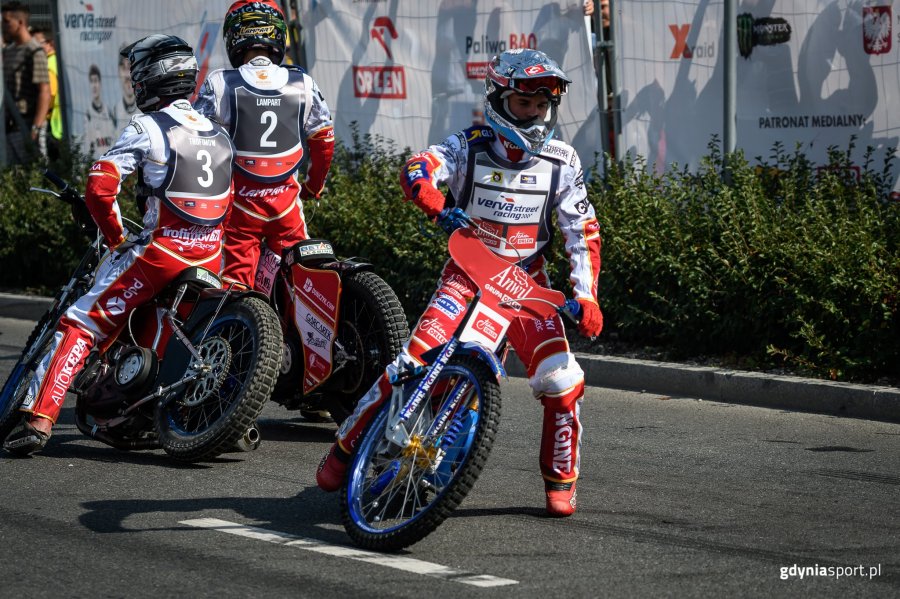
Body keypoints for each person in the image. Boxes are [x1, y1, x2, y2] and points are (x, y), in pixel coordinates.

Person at [316, 49, 603, 517]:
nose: (533, 115)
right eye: (523, 104)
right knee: (410, 363)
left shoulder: (562, 160)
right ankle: (345, 448)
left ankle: (560, 481)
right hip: (467, 275)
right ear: (498, 100)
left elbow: (582, 230)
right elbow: (418, 166)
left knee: (564, 381)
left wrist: (586, 296)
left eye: (541, 106)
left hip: (527, 286)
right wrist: (431, 198)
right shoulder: (469, 144)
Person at [3, 35, 235, 456]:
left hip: (162, 253)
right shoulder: (220, 134)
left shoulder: (148, 127)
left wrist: (116, 240)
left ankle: (39, 418)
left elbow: (100, 187)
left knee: (81, 322)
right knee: (164, 330)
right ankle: (134, 411)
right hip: (211, 254)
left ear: (151, 78)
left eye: (137, 74)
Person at [194, 0, 334, 290]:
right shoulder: (302, 82)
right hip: (287, 207)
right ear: (278, 35)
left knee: (234, 285)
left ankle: (244, 328)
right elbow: (324, 141)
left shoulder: (221, 82)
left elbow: (195, 142)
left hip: (239, 208)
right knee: (301, 280)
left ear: (233, 37)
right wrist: (313, 186)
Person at [1, 1, 50, 163]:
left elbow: (44, 91)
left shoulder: (34, 51)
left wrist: (35, 128)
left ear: (20, 22)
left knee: (34, 174)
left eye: (7, 22)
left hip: (27, 125)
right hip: (9, 126)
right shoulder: (9, 50)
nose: (3, 26)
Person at [30, 27, 62, 152]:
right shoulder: (58, 60)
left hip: (54, 123)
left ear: (50, 44)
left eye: (38, 43)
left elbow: (50, 94)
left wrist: (42, 114)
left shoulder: (48, 64)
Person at [81, 64, 117, 158]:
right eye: (91, 82)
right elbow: (87, 148)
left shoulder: (109, 113)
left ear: (100, 83)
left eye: (96, 81)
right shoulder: (87, 115)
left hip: (110, 164)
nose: (94, 86)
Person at [113, 44, 139, 128]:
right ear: (118, 71)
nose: (127, 75)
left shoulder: (146, 108)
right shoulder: (115, 112)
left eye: (129, 67)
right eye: (123, 68)